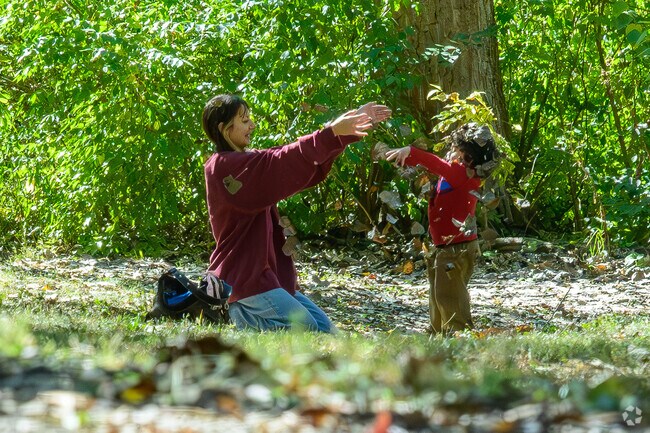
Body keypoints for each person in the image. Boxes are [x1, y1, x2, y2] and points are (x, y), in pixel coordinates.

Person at [201, 94, 391, 333]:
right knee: (307, 331)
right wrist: (330, 134)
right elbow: (280, 161)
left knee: (326, 333)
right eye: (244, 120)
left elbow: (288, 162)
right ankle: (240, 319)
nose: (252, 125)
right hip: (243, 281)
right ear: (224, 129)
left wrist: (340, 132)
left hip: (266, 279)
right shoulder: (223, 167)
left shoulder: (246, 162)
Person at [385, 123, 501, 334]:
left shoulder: (463, 174)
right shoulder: (458, 175)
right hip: (445, 246)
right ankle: (437, 331)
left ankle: (459, 333)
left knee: (450, 295)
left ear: (469, 158)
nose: (451, 153)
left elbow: (434, 163)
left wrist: (410, 152)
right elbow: (445, 190)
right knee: (438, 291)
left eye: (456, 150)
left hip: (457, 249)